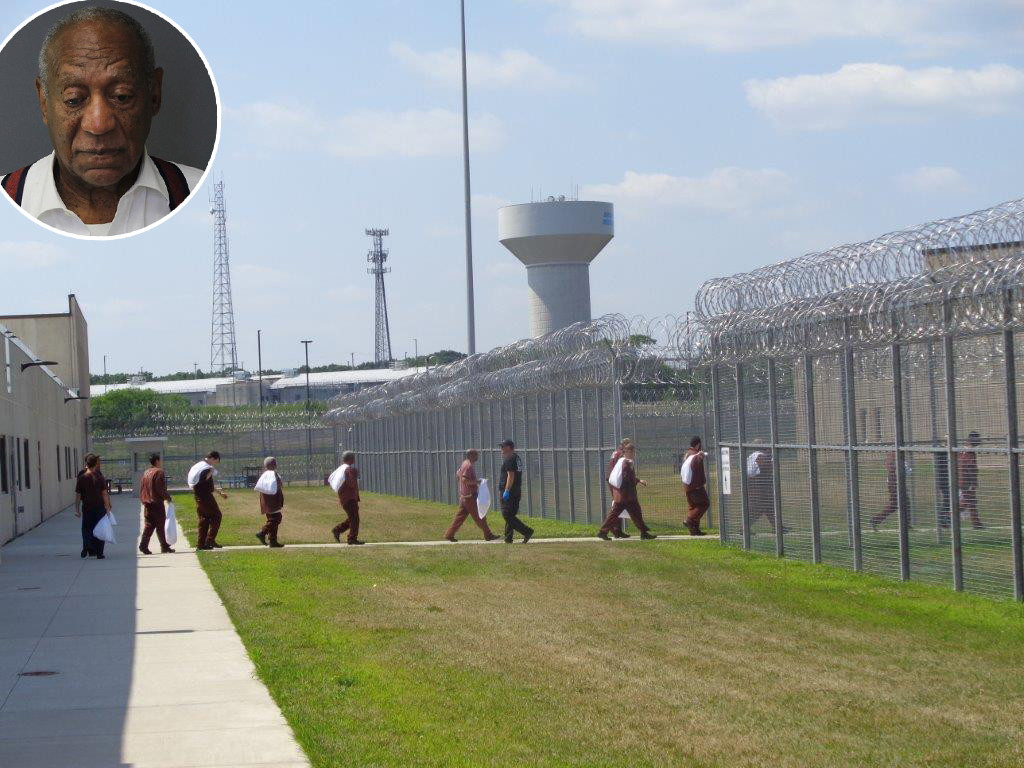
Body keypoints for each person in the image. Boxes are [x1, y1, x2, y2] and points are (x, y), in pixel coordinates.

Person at [1, 7, 202, 236]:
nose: (98, 125)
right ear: (44, 101)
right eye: (74, 99)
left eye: (121, 96)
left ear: (154, 94)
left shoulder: (201, 198)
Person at [598, 443, 656, 541]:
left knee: (635, 513)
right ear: (628, 452)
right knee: (621, 514)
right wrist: (633, 484)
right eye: (633, 452)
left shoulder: (622, 461)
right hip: (626, 496)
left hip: (624, 495)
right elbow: (626, 477)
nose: (634, 454)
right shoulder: (626, 463)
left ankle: (643, 532)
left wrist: (637, 481)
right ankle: (603, 532)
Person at [444, 450, 500, 543]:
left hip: (464, 496)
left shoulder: (464, 464)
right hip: (470, 497)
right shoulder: (468, 466)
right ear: (470, 455)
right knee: (480, 515)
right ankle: (488, 535)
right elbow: (464, 479)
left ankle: (449, 534)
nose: (477, 456)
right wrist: (477, 482)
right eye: (475, 454)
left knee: (459, 517)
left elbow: (458, 475)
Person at [75, 453, 111, 558]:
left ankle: (87, 545)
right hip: (99, 507)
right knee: (100, 528)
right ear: (95, 464)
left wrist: (77, 509)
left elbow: (78, 495)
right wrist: (107, 507)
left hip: (86, 507)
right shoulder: (99, 477)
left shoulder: (82, 477)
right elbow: (104, 494)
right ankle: (99, 553)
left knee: (86, 528)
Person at [188, 451, 227, 550]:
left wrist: (220, 493)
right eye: (216, 461)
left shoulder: (198, 466)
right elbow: (203, 479)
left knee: (204, 519)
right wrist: (211, 471)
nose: (215, 464)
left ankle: (201, 544)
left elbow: (206, 484)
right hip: (205, 497)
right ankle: (210, 539)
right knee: (217, 516)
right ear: (213, 458)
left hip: (198, 496)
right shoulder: (206, 468)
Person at [498, 439, 533, 544]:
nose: (501, 449)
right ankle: (508, 538)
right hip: (516, 490)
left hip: (510, 491)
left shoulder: (510, 458)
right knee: (510, 515)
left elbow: (511, 475)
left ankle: (527, 531)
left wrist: (507, 490)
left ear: (508, 447)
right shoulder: (516, 458)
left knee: (507, 514)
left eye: (502, 446)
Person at [138, 452, 174, 554]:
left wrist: (143, 499)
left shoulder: (146, 472)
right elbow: (160, 488)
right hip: (156, 503)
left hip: (147, 503)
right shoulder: (159, 472)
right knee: (160, 525)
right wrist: (167, 497)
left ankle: (143, 545)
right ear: (157, 461)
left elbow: (142, 487)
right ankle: (164, 546)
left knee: (149, 525)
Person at [746, 449, 787, 534]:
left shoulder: (754, 456)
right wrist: (771, 461)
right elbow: (765, 467)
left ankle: (777, 527)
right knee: (759, 509)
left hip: (760, 486)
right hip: (759, 486)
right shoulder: (759, 456)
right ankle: (744, 528)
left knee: (770, 508)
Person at [331, 451, 364, 546]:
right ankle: (352, 538)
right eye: (353, 458)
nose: (354, 459)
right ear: (350, 459)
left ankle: (337, 530)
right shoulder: (348, 470)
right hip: (349, 498)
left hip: (345, 498)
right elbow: (351, 484)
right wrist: (355, 474)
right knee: (355, 519)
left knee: (352, 518)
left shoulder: (342, 468)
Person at [680, 436, 710, 536]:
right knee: (704, 504)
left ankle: (694, 530)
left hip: (687, 486)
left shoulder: (687, 453)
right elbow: (695, 464)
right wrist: (700, 456)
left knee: (694, 507)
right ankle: (689, 520)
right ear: (698, 445)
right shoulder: (695, 455)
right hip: (695, 487)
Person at [255, 456, 285, 548]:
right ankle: (262, 532)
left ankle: (273, 541)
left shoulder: (264, 475)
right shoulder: (274, 474)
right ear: (274, 465)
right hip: (273, 501)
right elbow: (279, 485)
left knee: (271, 519)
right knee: (277, 518)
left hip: (265, 501)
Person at [958, 431, 984, 530]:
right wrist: (971, 483)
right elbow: (968, 468)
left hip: (964, 481)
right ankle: (948, 517)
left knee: (970, 502)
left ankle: (976, 523)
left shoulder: (964, 451)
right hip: (966, 482)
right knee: (969, 502)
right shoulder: (968, 453)